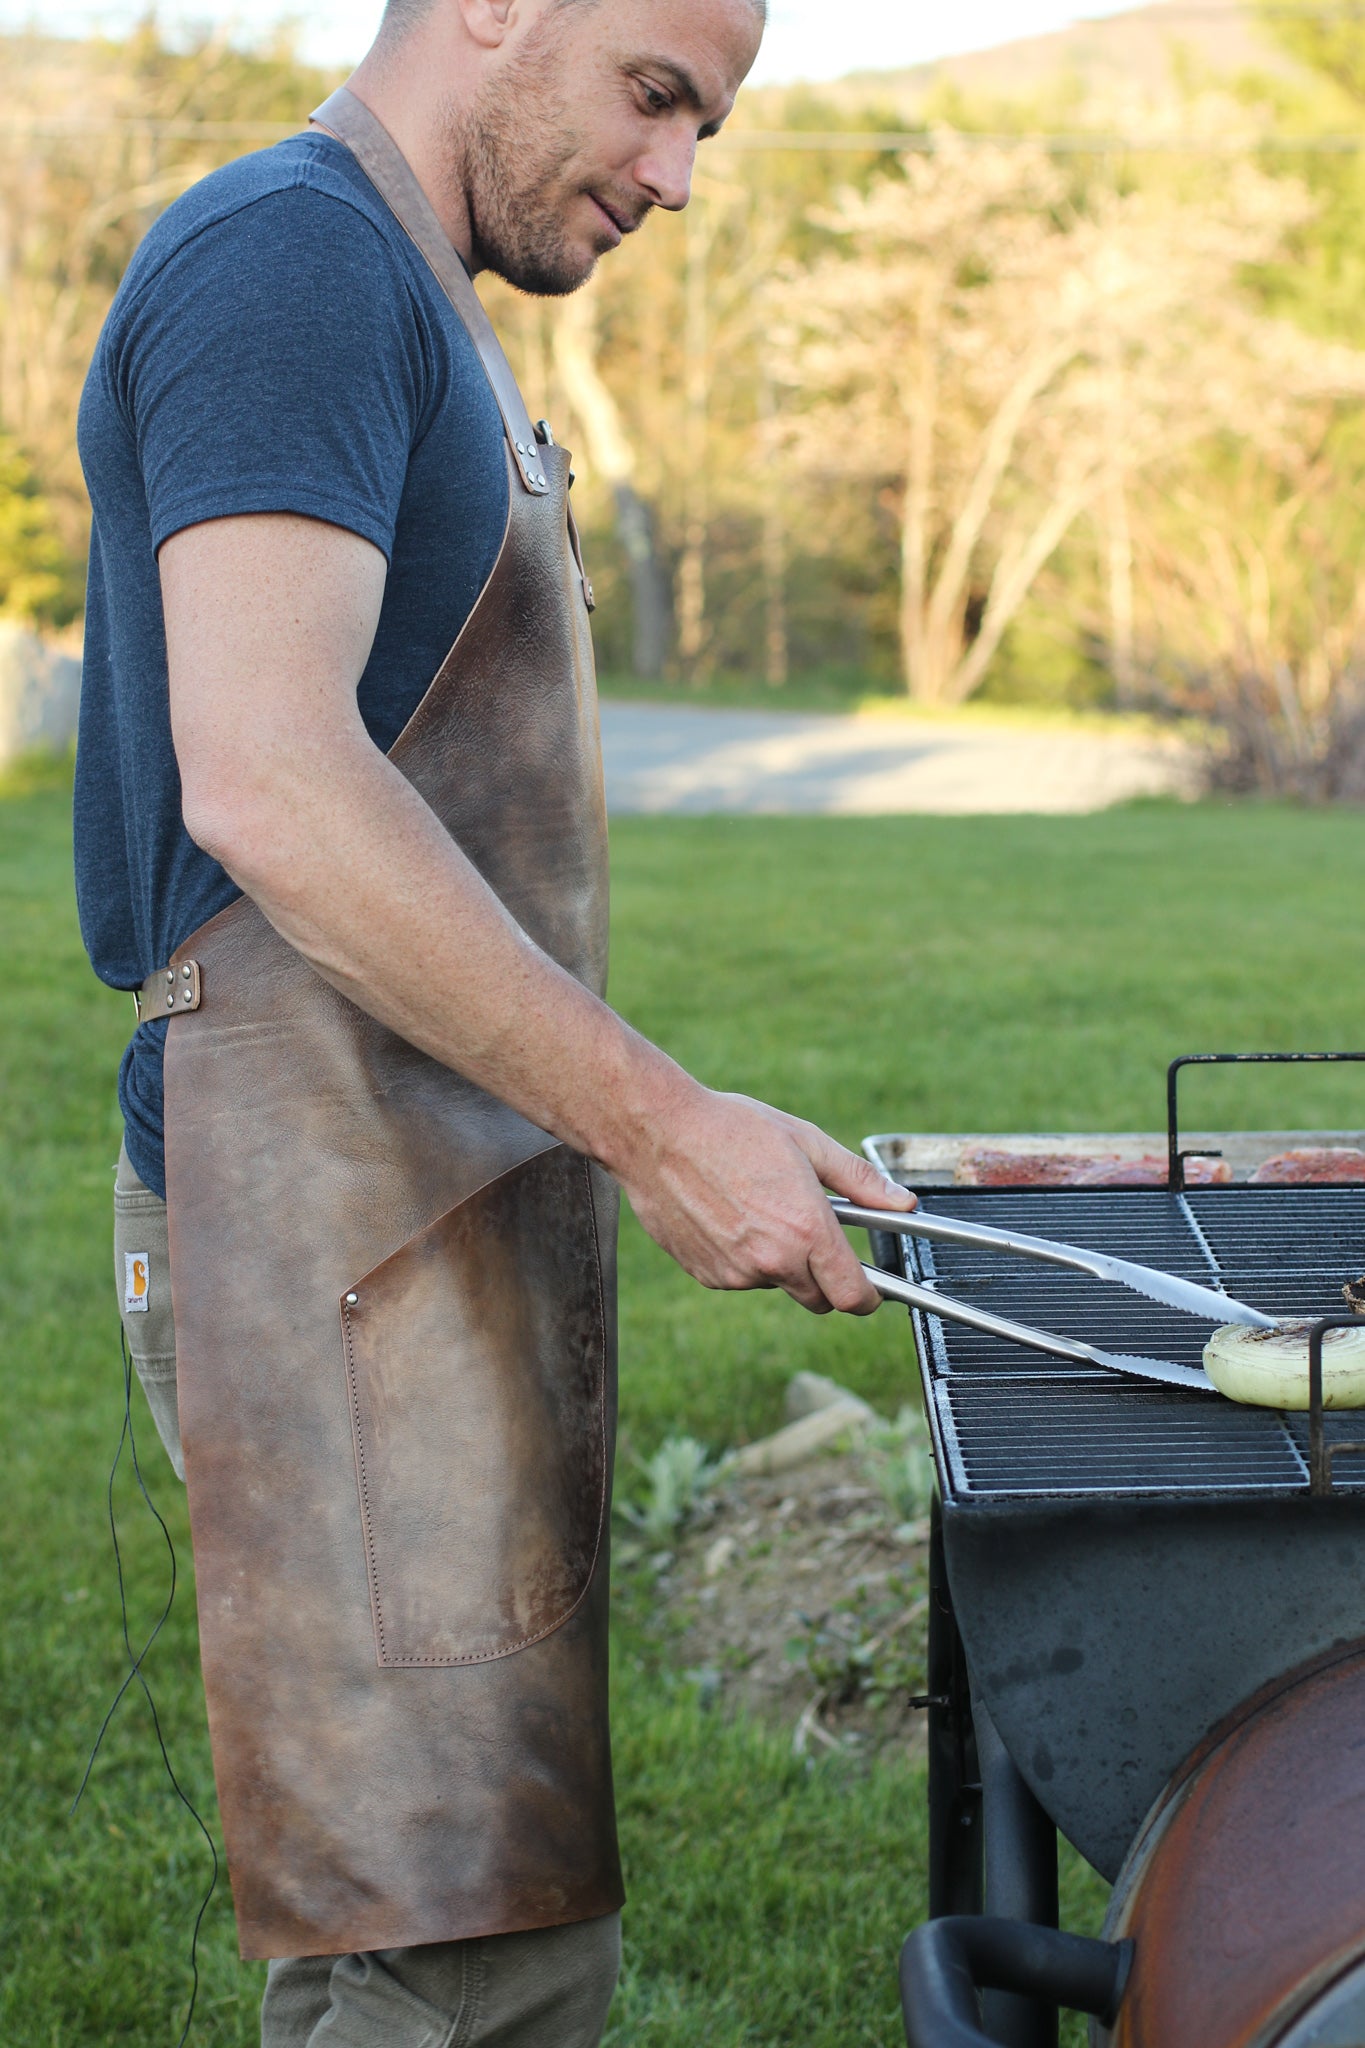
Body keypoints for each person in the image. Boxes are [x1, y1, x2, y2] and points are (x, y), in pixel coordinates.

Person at [75, 0, 914, 2040]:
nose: (675, 177)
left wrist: (684, 1110)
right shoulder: (287, 259)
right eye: (653, 96)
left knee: (500, 1909)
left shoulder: (413, 298)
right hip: (322, 1241)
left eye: (703, 125)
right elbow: (265, 776)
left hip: (425, 1217)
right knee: (431, 1933)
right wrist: (654, 1129)